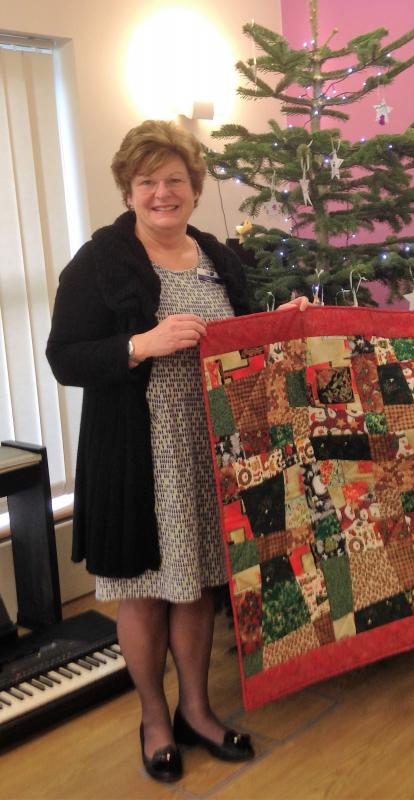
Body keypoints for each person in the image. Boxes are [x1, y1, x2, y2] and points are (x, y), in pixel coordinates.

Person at [46, 120, 306, 782]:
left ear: (194, 186)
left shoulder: (219, 255)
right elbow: (64, 358)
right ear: (128, 189)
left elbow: (241, 340)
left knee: (197, 588)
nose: (163, 192)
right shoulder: (100, 258)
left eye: (175, 180)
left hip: (208, 449)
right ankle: (154, 717)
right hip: (138, 453)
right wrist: (140, 345)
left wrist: (286, 324)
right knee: (143, 591)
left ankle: (198, 709)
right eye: (147, 181)